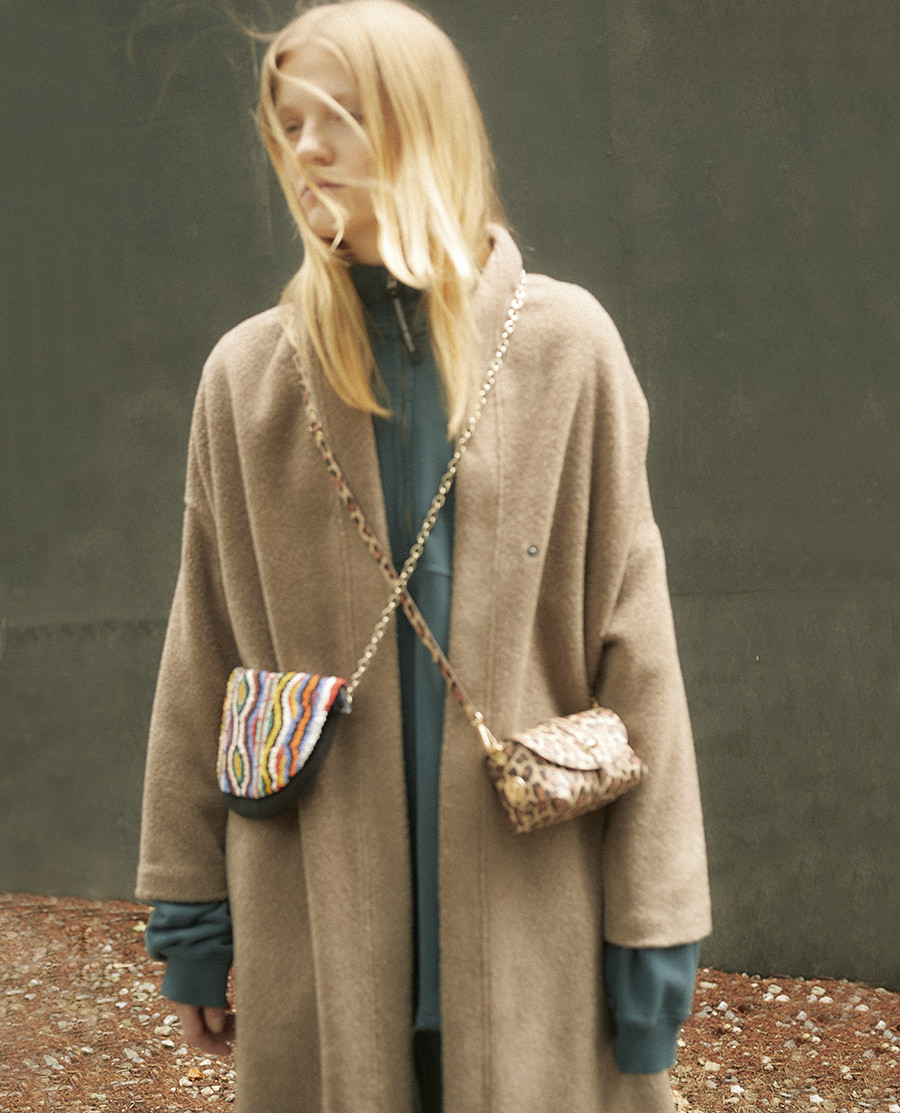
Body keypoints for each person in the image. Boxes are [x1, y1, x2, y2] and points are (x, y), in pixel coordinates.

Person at [136, 2, 712, 1111]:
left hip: (538, 918)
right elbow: (202, 653)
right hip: (315, 920)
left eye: (340, 115)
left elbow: (638, 655)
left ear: (423, 122)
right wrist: (192, 918)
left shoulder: (566, 350)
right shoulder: (248, 378)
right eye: (289, 124)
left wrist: (655, 933)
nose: (306, 149)